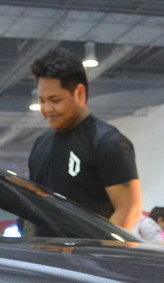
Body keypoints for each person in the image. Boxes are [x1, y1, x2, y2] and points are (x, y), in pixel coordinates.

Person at [28, 47, 141, 230]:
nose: (47, 109)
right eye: (42, 100)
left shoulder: (108, 142)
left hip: (90, 256)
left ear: (80, 94)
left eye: (55, 100)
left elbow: (129, 211)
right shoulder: (40, 144)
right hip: (45, 256)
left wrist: (97, 255)